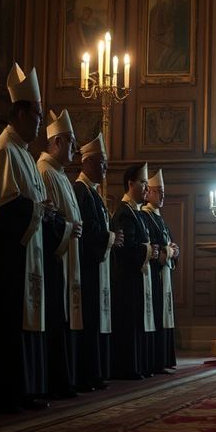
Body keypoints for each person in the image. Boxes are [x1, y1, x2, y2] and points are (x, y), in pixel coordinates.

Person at [0, 63, 64, 412]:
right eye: (37, 114)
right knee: (7, 323)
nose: (39, 122)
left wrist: (42, 211)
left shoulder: (22, 153)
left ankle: (26, 387)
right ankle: (5, 391)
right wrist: (37, 210)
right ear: (21, 113)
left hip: (24, 257)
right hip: (5, 260)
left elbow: (24, 204)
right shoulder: (3, 151)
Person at [37, 110, 85, 399]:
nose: (74, 149)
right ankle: (58, 380)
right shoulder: (44, 171)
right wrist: (69, 229)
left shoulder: (61, 174)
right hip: (55, 258)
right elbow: (48, 217)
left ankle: (68, 377)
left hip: (68, 256)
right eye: (70, 142)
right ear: (56, 142)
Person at [72, 134, 120, 391]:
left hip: (98, 266)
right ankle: (88, 373)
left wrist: (110, 237)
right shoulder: (81, 191)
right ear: (87, 162)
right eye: (102, 163)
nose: (105, 168)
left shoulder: (94, 193)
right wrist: (109, 237)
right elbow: (89, 230)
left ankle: (98, 371)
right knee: (89, 318)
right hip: (87, 267)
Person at [111, 164, 157, 379]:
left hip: (137, 277)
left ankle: (139, 365)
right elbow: (126, 247)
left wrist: (149, 249)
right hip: (126, 279)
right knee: (128, 322)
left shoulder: (136, 212)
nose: (147, 188)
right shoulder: (124, 212)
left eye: (147, 184)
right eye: (143, 183)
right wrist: (148, 250)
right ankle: (127, 367)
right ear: (130, 184)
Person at [142, 169, 179, 373]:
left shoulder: (160, 218)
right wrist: (169, 251)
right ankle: (156, 361)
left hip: (165, 273)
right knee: (156, 314)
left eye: (164, 192)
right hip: (154, 274)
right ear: (148, 192)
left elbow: (167, 243)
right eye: (159, 192)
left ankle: (165, 359)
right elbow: (155, 247)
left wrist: (174, 251)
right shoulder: (145, 216)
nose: (163, 196)